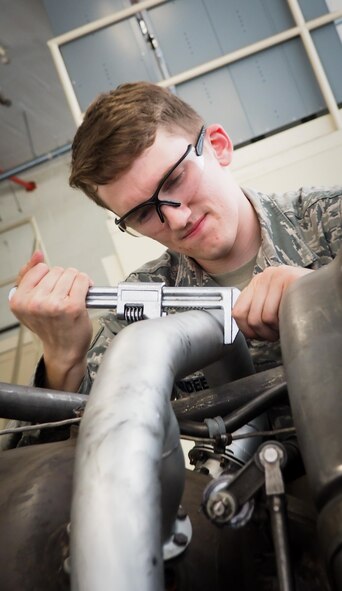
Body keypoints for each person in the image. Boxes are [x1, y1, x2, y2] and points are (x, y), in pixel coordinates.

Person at [9, 81, 342, 397]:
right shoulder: (142, 307)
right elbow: (66, 445)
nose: (178, 219)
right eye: (142, 214)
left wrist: (326, 294)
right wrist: (63, 361)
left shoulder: (330, 219)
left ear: (218, 146)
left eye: (176, 179)